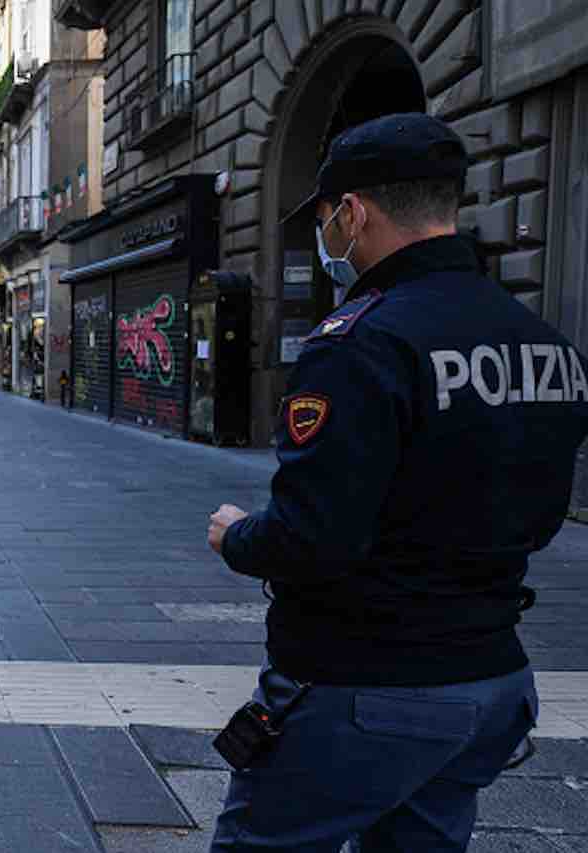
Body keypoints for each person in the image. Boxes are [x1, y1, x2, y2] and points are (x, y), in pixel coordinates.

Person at [205, 113, 588, 852]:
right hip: (490, 680)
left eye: (324, 219)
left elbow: (314, 539)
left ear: (352, 212)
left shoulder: (362, 342)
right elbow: (538, 512)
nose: (325, 241)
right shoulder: (545, 345)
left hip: (365, 682)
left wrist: (238, 535)